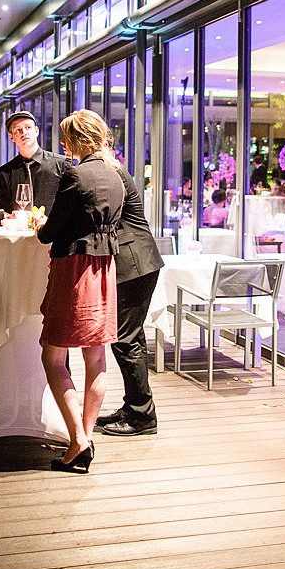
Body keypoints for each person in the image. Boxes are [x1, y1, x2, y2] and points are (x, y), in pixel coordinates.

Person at [33, 109, 124, 473]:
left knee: (51, 356)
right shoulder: (116, 175)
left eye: (66, 140)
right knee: (96, 357)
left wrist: (41, 223)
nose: (64, 147)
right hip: (104, 270)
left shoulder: (76, 174)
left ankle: (79, 440)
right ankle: (82, 440)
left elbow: (50, 232)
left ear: (77, 141)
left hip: (75, 269)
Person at [96, 140, 165, 438]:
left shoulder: (109, 171)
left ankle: (141, 414)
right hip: (137, 262)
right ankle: (136, 406)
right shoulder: (109, 168)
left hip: (135, 263)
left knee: (125, 338)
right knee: (130, 337)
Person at [0, 111, 70, 214]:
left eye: (28, 127)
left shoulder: (61, 165)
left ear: (36, 131)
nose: (24, 132)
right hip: (17, 228)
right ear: (12, 137)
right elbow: (0, 210)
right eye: (18, 130)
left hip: (53, 228)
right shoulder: (3, 173)